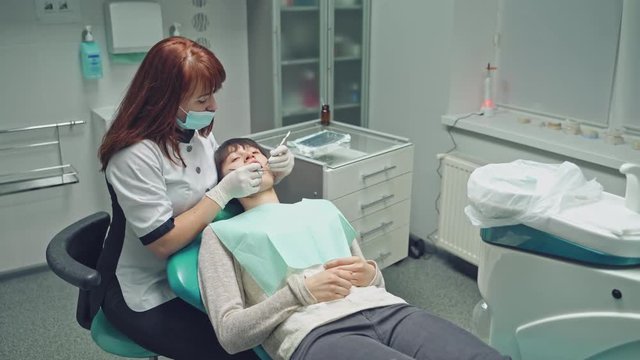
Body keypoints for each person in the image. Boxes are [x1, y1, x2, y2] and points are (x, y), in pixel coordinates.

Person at [198, 138, 511, 360]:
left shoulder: (321, 209)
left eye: (255, 153)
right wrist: (299, 294)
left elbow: (375, 282)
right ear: (226, 183)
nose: (250, 159)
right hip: (317, 332)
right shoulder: (221, 234)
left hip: (389, 311)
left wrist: (370, 272)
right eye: (236, 161)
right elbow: (230, 335)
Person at [95, 37, 294, 359]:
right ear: (164, 101)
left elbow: (225, 201)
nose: (213, 106)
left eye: (213, 95)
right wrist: (222, 191)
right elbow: (162, 244)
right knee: (243, 349)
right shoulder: (133, 156)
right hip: (149, 288)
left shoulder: (197, 133)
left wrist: (275, 174)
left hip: (202, 264)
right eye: (203, 100)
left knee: (273, 329)